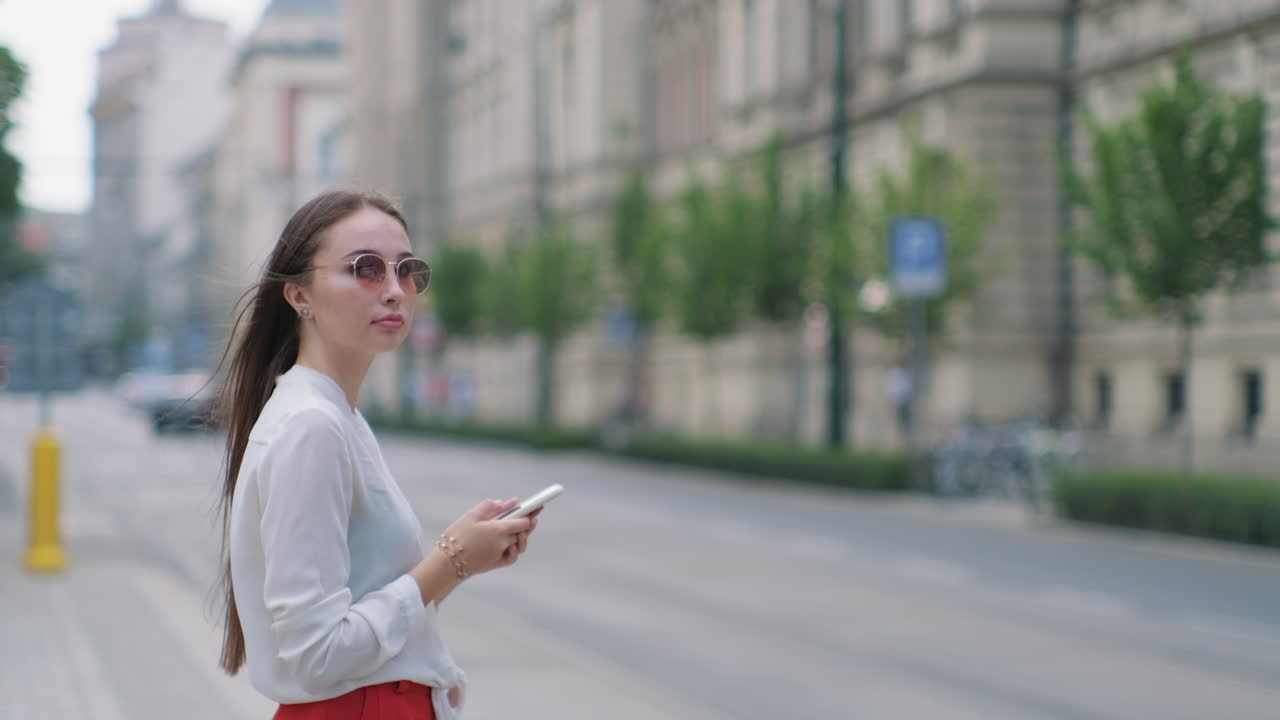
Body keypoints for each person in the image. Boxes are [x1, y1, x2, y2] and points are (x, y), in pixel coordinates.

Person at [213, 189, 539, 720]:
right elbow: (318, 657)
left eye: (407, 270)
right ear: (299, 296)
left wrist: (463, 557)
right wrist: (449, 560)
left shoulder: (339, 416)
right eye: (365, 269)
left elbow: (367, 604)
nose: (394, 290)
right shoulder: (311, 427)